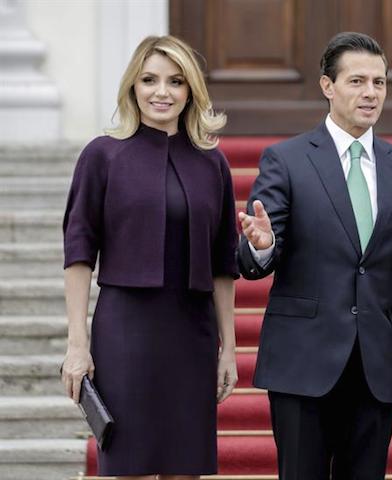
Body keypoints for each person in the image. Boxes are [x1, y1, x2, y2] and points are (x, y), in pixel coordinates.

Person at [237, 31, 392, 480]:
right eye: (357, 81)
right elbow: (252, 260)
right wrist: (262, 247)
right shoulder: (285, 160)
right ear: (328, 86)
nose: (370, 93)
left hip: (377, 364)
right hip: (302, 361)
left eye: (379, 83)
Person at [61, 35, 239, 479]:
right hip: (125, 332)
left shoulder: (211, 163)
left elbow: (223, 263)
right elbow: (79, 253)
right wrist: (77, 345)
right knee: (129, 466)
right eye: (150, 80)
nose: (162, 91)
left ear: (190, 90)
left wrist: (229, 348)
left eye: (175, 81)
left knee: (185, 467)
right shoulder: (101, 156)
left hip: (191, 332)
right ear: (132, 87)